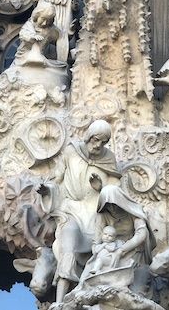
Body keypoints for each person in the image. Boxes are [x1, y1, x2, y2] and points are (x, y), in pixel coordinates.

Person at [37, 120, 121, 304]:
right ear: (89, 136)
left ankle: (91, 298)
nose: (98, 145)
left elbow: (116, 190)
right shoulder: (71, 151)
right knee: (69, 239)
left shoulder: (109, 159)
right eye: (96, 139)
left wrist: (102, 187)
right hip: (71, 210)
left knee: (100, 249)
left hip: (95, 212)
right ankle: (60, 300)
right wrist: (47, 190)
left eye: (103, 142)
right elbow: (57, 179)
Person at [13, 2, 63, 68]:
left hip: (41, 56)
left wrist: (69, 33)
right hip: (24, 55)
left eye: (48, 21)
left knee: (61, 66)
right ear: (37, 15)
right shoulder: (30, 25)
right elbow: (23, 35)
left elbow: (60, 37)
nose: (45, 23)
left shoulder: (50, 28)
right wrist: (33, 37)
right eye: (43, 19)